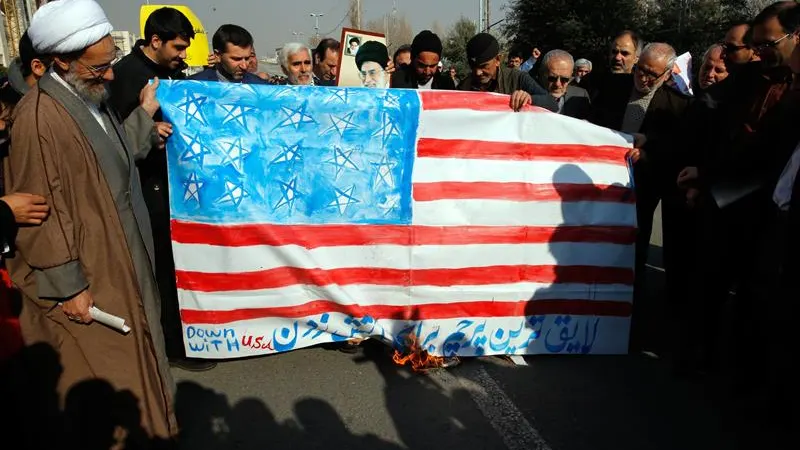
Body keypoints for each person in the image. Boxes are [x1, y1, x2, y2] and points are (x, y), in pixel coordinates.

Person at [6, 0, 177, 442]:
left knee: (139, 366)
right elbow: (37, 213)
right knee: (109, 380)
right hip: (89, 279)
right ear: (60, 62)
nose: (111, 75)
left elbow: (114, 162)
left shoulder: (89, 97)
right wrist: (69, 287)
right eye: (99, 68)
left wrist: (142, 116)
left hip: (121, 261)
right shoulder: (39, 118)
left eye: (110, 64)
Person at [110, 6, 218, 373]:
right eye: (177, 47)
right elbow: (113, 140)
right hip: (145, 190)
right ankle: (172, 344)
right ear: (154, 41)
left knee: (178, 265)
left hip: (174, 188)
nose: (182, 56)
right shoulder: (126, 76)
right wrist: (147, 131)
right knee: (163, 271)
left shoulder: (167, 72)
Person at [457, 33, 557, 112]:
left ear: (497, 60)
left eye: (484, 66)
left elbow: (552, 104)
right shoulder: (464, 86)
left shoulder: (518, 78)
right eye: (473, 67)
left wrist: (529, 98)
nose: (478, 72)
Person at [192, 24, 267, 84]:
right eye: (237, 59)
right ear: (217, 55)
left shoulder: (262, 87)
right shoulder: (193, 86)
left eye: (247, 58)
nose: (244, 66)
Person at [390, 30, 455, 90]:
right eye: (422, 65)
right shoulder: (396, 82)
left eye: (432, 66)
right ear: (412, 58)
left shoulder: (446, 85)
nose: (427, 72)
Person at [538, 49, 591, 119]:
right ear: (542, 74)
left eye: (564, 79)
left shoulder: (581, 96)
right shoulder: (528, 94)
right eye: (552, 78)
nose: (558, 84)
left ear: (571, 74)